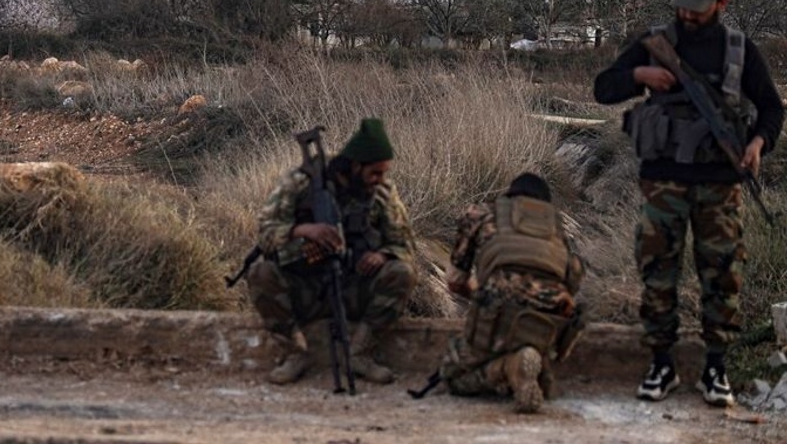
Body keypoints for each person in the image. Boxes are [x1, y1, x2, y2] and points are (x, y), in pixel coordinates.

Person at [593, 0, 784, 407]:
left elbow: (773, 109)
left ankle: (715, 368)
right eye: (684, 6)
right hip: (663, 184)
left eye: (699, 8)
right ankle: (661, 363)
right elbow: (603, 88)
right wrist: (638, 76)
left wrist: (759, 143)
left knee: (722, 274)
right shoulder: (654, 43)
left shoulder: (739, 50)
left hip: (720, 185)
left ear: (722, 4)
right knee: (658, 273)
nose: (688, 15)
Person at [247, 118, 417, 385]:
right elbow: (265, 233)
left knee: (402, 273)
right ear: (356, 165)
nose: (380, 180)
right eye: (375, 173)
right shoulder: (301, 182)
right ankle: (295, 353)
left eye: (384, 173)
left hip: (353, 285)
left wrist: (383, 255)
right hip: (306, 287)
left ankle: (360, 353)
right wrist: (302, 231)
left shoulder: (382, 191)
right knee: (261, 273)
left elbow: (404, 243)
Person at [439, 173, 584, 414]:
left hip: (495, 313)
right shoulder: (558, 228)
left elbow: (455, 282)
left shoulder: (481, 214)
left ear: (510, 195)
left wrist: (478, 294)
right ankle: (537, 367)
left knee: (453, 376)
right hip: (544, 322)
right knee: (534, 334)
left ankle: (507, 367)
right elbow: (573, 281)